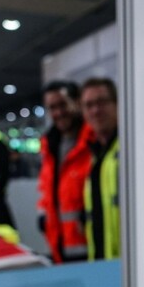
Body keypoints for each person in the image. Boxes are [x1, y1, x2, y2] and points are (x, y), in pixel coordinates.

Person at [37, 81, 95, 263]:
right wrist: (42, 217)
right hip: (59, 246)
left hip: (92, 248)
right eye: (52, 107)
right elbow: (45, 189)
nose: (58, 113)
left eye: (63, 105)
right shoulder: (50, 145)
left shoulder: (94, 139)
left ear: (77, 102)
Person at [80, 78, 120, 261]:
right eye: (89, 105)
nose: (95, 110)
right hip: (102, 263)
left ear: (117, 104)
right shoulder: (96, 155)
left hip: (129, 269)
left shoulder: (131, 149)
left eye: (102, 102)